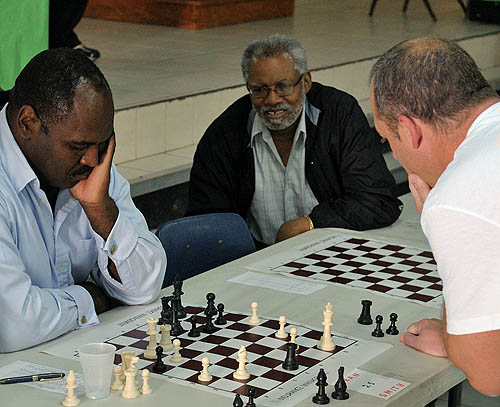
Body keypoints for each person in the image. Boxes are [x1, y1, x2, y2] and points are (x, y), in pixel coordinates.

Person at [0, 48, 166, 353]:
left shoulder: (89, 165)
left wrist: (100, 210)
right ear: (28, 123)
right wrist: (90, 299)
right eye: (79, 145)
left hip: (67, 354)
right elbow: (13, 326)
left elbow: (145, 285)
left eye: (102, 144)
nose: (92, 158)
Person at [370, 38, 500, 396]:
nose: (393, 153)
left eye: (387, 140)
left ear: (409, 131)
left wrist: (452, 337)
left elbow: (489, 374)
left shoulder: (458, 197)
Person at [187, 34, 402, 247]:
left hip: (336, 253)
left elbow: (379, 200)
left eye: (283, 86)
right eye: (259, 90)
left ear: (306, 82)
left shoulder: (339, 115)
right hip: (256, 260)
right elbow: (207, 225)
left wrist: (310, 223)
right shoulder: (224, 135)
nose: (272, 100)